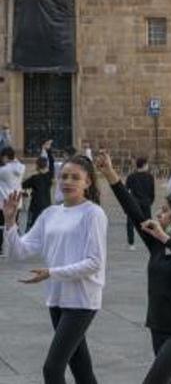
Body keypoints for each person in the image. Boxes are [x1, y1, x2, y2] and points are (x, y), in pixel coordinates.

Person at [99, 152, 171, 384]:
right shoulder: (158, 244)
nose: (159, 214)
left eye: (165, 211)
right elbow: (133, 210)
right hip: (157, 327)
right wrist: (110, 174)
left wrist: (166, 239)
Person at [2, 154, 107, 384]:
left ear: (87, 183)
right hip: (56, 299)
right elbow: (18, 252)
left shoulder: (93, 213)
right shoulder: (51, 213)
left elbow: (94, 262)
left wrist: (52, 273)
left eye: (75, 177)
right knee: (81, 369)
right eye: (63, 177)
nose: (67, 181)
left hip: (81, 300)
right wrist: (10, 222)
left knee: (52, 369)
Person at [124, 156, 157, 252]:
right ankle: (150, 241)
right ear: (144, 165)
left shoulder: (131, 176)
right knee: (148, 222)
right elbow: (152, 192)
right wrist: (150, 201)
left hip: (134, 202)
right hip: (146, 202)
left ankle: (131, 243)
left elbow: (126, 191)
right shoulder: (150, 177)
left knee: (130, 223)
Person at [23, 140, 56, 231]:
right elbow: (52, 163)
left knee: (32, 227)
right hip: (47, 204)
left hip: (35, 206)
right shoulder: (49, 176)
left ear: (37, 165)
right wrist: (48, 150)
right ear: (46, 166)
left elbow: (22, 185)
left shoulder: (34, 178)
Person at [0, 145, 27, 249]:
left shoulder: (3, 171)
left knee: (1, 225)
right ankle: (17, 246)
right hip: (16, 201)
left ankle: (0, 248)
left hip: (4, 202)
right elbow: (17, 163)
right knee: (14, 224)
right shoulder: (22, 167)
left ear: (5, 156)